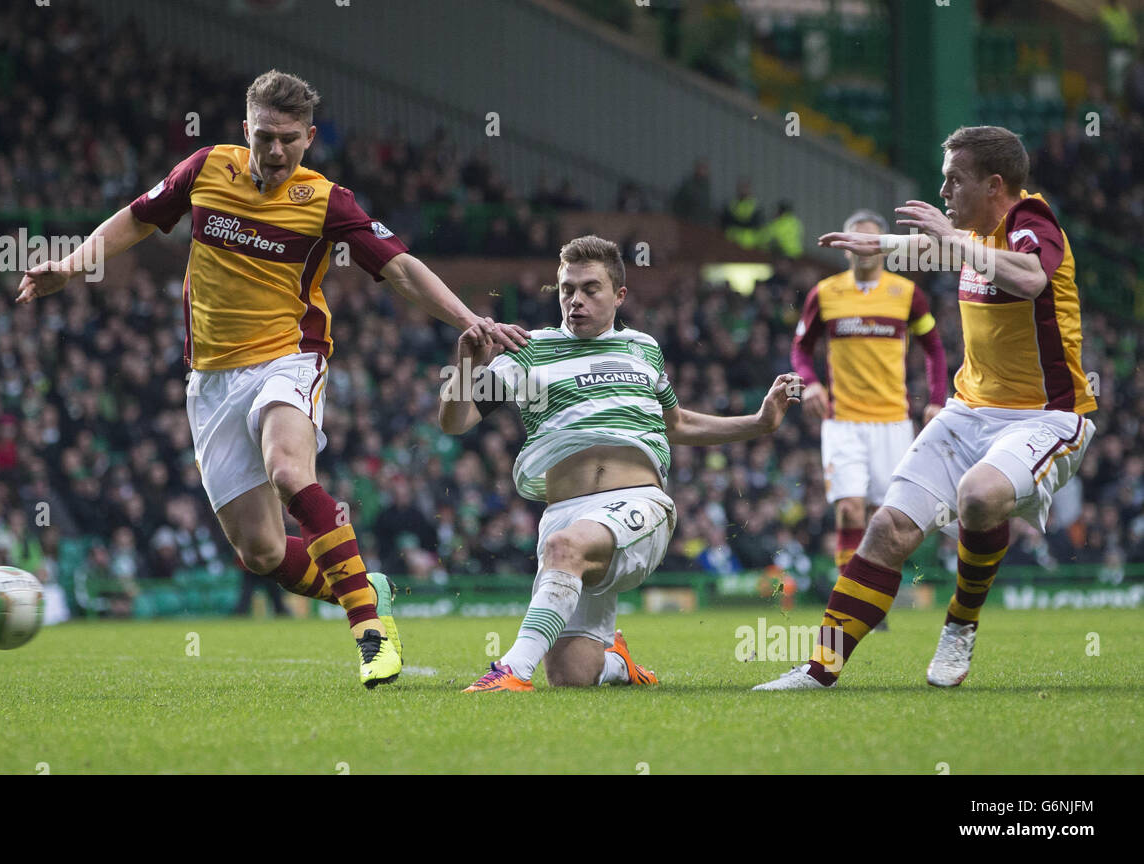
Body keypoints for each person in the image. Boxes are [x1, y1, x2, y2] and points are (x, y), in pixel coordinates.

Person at [17, 69, 527, 687]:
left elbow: (400, 268)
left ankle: (371, 634)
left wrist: (469, 318)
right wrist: (72, 267)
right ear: (245, 131)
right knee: (260, 552)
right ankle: (369, 587)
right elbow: (138, 217)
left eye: (289, 138)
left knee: (289, 470)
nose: (276, 151)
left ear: (310, 137)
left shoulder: (327, 201)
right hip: (210, 378)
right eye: (264, 137)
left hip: (289, 356)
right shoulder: (206, 169)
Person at [757, 126, 1097, 690]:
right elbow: (934, 247)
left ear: (994, 185)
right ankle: (819, 671)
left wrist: (951, 239)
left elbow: (1033, 280)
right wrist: (880, 247)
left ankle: (959, 624)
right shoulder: (972, 231)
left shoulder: (1033, 223)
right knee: (887, 529)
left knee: (979, 496)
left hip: (1047, 415)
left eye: (953, 180)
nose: (944, 191)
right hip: (971, 410)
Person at [439, 235, 801, 691]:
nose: (576, 300)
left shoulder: (642, 348)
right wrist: (467, 366)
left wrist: (760, 422)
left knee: (565, 549)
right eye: (567, 289)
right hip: (563, 516)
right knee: (572, 676)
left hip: (638, 505)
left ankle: (510, 669)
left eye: (591, 289)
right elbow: (455, 422)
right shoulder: (527, 351)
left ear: (619, 295)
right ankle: (618, 665)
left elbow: (679, 423)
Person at [791, 208, 948, 629]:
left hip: (894, 422)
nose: (863, 247)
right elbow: (801, 351)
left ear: (885, 247)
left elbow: (933, 348)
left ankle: (873, 601)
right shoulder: (824, 294)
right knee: (849, 511)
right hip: (842, 421)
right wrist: (810, 383)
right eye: (855, 240)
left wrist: (937, 399)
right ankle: (852, 604)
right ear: (843, 248)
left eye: (871, 240)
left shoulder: (907, 294)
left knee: (886, 521)